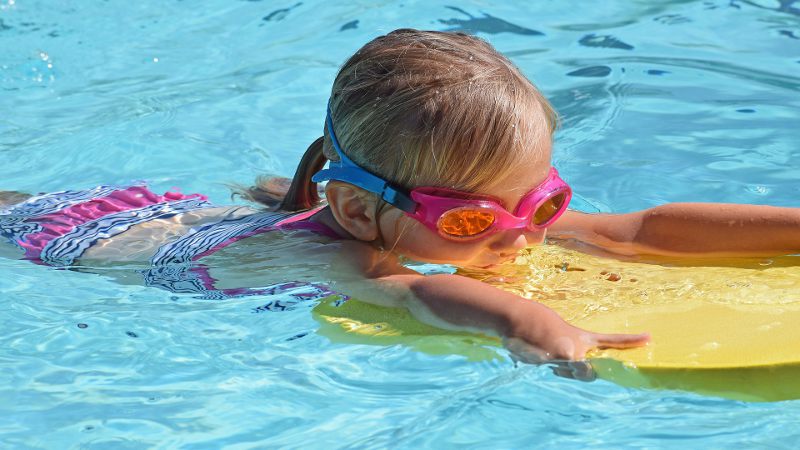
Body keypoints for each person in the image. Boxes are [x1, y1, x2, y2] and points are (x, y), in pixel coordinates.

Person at [1, 29, 798, 362]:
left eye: (544, 203)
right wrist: (534, 322)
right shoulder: (353, 255)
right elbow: (419, 297)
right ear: (358, 211)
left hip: (163, 212)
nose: (522, 237)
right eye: (471, 220)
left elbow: (638, 231)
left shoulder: (493, 222)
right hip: (70, 241)